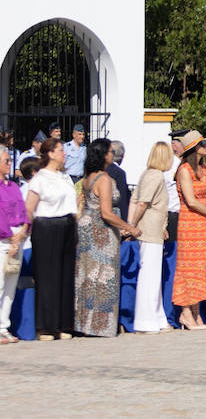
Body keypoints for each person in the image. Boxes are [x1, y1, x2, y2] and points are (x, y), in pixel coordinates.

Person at [76, 138, 140, 337]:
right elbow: (106, 212)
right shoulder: (103, 179)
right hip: (101, 231)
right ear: (103, 155)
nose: (113, 154)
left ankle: (85, 323)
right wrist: (129, 227)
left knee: (88, 276)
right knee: (104, 277)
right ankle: (100, 325)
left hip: (87, 226)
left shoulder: (88, 176)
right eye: (110, 151)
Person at [25, 138, 77, 340]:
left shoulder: (65, 177)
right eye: (61, 150)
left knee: (65, 275)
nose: (64, 154)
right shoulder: (40, 179)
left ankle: (62, 324)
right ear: (51, 154)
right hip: (46, 227)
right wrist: (29, 230)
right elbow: (29, 208)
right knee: (48, 277)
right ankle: (45, 326)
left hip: (67, 224)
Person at [172, 131, 206, 330]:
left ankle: (196, 313)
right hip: (190, 222)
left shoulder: (203, 168)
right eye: (202, 145)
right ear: (194, 148)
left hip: (204, 222)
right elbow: (191, 201)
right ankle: (185, 313)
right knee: (189, 269)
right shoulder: (184, 170)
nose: (205, 148)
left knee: (200, 268)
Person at [129, 142, 173, 333]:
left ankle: (157, 317)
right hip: (149, 229)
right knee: (150, 275)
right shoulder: (154, 176)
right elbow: (142, 203)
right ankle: (146, 320)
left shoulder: (149, 174)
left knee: (153, 275)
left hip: (154, 228)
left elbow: (136, 200)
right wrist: (131, 225)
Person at [0, 145, 31, 344]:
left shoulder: (12, 186)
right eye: (6, 161)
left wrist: (23, 230)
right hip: (4, 238)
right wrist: (10, 237)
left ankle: (4, 326)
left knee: (10, 286)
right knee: (0, 284)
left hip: (18, 236)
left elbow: (23, 209)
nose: (9, 164)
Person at [107, 141, 131, 221]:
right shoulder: (119, 173)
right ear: (123, 156)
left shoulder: (99, 169)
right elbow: (122, 199)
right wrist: (125, 220)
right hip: (113, 214)